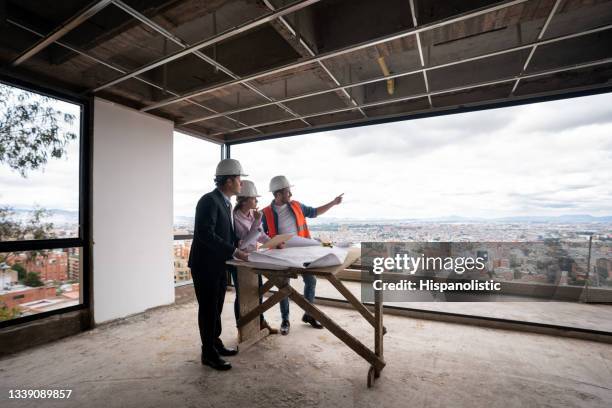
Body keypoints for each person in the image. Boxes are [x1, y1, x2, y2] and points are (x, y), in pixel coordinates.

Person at [261, 175, 343, 335]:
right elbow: (262, 234)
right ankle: (285, 319)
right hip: (282, 253)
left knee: (310, 280)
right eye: (287, 192)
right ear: (277, 194)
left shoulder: (297, 206)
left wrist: (333, 203)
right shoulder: (265, 213)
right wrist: (273, 243)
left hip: (302, 250)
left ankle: (309, 315)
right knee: (283, 286)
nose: (290, 195)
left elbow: (314, 212)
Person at [188, 158, 249, 371]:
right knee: (208, 309)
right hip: (205, 266)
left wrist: (238, 243)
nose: (241, 183)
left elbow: (224, 234)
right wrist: (234, 251)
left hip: (218, 264)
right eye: (240, 179)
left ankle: (215, 342)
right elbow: (205, 234)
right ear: (230, 181)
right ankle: (208, 353)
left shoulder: (225, 203)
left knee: (217, 306)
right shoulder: (209, 200)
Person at [230, 180, 278, 334]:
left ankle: (260, 322)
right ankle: (242, 328)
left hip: (253, 258)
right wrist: (257, 221)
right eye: (254, 199)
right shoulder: (234, 218)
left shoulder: (252, 214)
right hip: (239, 260)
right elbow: (243, 244)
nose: (257, 201)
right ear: (245, 200)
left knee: (257, 291)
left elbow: (261, 236)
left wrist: (273, 243)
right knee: (242, 294)